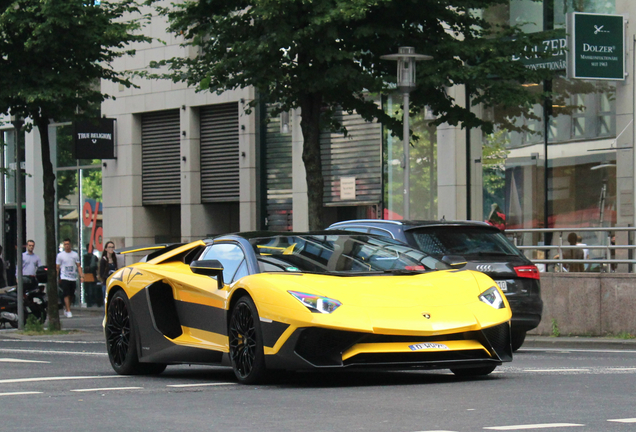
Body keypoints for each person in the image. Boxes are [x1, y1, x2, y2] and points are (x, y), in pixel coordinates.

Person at [56, 239, 84, 318]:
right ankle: (68, 310)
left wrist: (81, 275)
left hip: (73, 277)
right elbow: (57, 267)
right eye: (65, 244)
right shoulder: (60, 255)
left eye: (68, 244)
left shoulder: (74, 255)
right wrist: (56, 276)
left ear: (70, 245)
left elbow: (78, 266)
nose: (67, 246)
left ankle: (67, 307)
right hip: (64, 277)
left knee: (71, 294)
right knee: (66, 293)